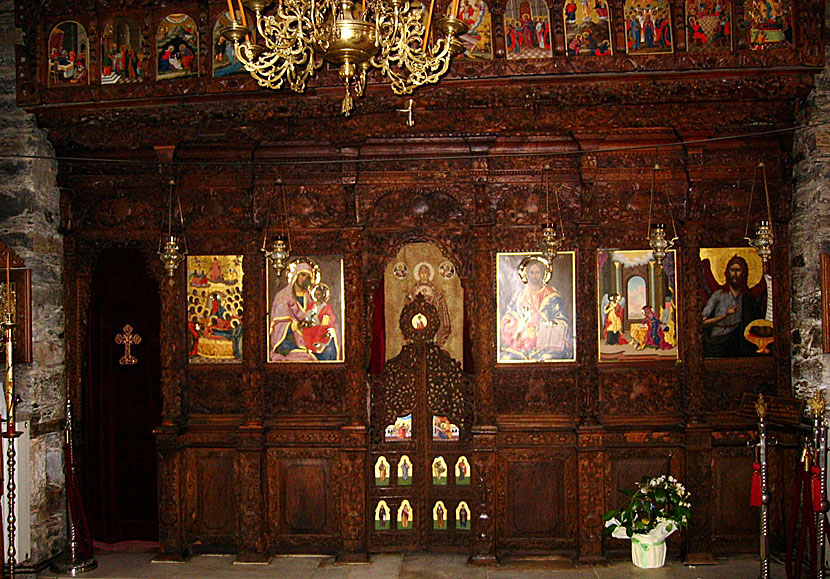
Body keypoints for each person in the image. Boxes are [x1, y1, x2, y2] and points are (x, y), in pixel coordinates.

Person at [500, 258, 572, 360]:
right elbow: (508, 316)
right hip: (521, 344)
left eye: (537, 272)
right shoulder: (519, 295)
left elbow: (562, 320)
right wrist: (517, 323)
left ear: (542, 274)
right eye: (532, 272)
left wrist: (546, 324)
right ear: (527, 274)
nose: (534, 275)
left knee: (548, 359)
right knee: (506, 358)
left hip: (545, 345)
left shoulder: (551, 296)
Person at [269, 261, 340, 361]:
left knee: (331, 338)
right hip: (290, 337)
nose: (305, 278)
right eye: (303, 275)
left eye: (308, 277)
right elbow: (279, 324)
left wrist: (323, 321)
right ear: (295, 276)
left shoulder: (311, 298)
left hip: (311, 334)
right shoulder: (283, 297)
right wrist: (297, 326)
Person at [702, 254, 765, 357]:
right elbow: (703, 322)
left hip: (739, 344)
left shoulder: (747, 298)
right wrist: (725, 315)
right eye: (732, 270)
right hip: (718, 341)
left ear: (744, 274)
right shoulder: (718, 295)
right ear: (727, 272)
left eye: (738, 270)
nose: (735, 274)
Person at [408, 263, 451, 347]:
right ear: (418, 274)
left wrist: (437, 299)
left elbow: (437, 302)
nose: (423, 275)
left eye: (425, 272)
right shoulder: (415, 288)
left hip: (431, 316)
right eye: (421, 272)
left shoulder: (433, 288)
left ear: (429, 274)